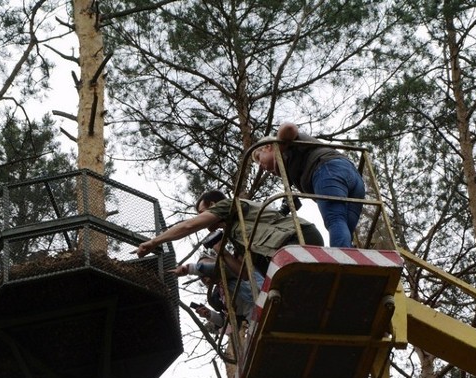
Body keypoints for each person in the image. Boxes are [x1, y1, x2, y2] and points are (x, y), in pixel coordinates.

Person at [135, 190, 323, 274]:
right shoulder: (237, 235)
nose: (203, 218)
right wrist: (222, 252)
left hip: (297, 238)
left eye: (203, 212)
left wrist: (154, 242)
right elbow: (244, 272)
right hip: (282, 256)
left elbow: (188, 226)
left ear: (213, 205)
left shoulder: (228, 205)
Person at [252, 122, 366, 248]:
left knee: (335, 219)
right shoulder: (291, 168)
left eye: (259, 158)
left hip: (328, 170)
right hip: (355, 179)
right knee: (344, 227)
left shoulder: (287, 144)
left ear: (268, 146)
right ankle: (348, 257)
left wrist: (281, 145)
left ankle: (342, 263)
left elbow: (289, 127)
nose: (261, 167)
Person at [171, 250, 264, 328]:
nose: (205, 276)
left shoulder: (232, 264)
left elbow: (216, 268)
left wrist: (188, 269)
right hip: (254, 319)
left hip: (263, 296)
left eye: (205, 269)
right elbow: (226, 321)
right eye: (202, 277)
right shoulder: (217, 296)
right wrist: (209, 315)